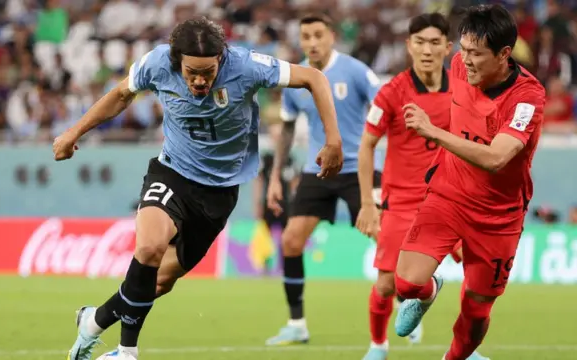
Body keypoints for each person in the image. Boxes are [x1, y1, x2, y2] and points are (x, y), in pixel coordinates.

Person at [54, 17, 344, 360]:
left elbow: (314, 77)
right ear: (178, 61)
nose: (200, 79)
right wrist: (74, 132)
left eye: (208, 71)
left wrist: (333, 138)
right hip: (171, 173)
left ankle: (93, 321)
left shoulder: (246, 66)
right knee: (148, 248)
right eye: (192, 71)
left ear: (221, 58)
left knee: (159, 282)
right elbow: (120, 94)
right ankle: (126, 352)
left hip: (219, 193)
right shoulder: (156, 63)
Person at [394, 5, 546, 360]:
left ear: (504, 54)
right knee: (406, 283)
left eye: (476, 53)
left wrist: (432, 131)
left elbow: (496, 158)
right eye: (463, 49)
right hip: (448, 193)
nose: (465, 60)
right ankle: (430, 292)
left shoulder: (528, 97)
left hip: (498, 214)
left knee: (477, 311)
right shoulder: (461, 65)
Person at [356, 13, 488, 360]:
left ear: (447, 48)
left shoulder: (464, 88)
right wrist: (369, 204)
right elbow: (367, 145)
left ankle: (465, 349)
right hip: (401, 201)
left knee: (478, 278)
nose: (426, 50)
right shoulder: (392, 92)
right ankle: (378, 346)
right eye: (419, 42)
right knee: (388, 284)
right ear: (408, 45)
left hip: (450, 197)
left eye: (434, 43)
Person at [265, 13, 381, 345]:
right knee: (291, 241)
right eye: (306, 37)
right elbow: (286, 129)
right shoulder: (296, 78)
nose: (312, 42)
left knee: (384, 236)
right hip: (316, 170)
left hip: (357, 168)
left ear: (331, 36)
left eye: (318, 35)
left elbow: (385, 106)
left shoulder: (355, 71)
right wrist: (276, 178)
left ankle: (409, 299)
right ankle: (297, 324)